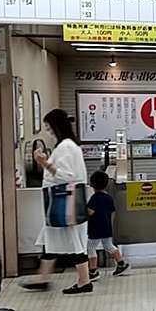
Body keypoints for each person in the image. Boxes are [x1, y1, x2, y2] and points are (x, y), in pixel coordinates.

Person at [20, 109, 92, 295]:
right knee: (51, 239)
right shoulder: (68, 145)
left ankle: (84, 281)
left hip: (64, 201)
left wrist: (44, 163)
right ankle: (43, 279)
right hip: (64, 201)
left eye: (48, 127)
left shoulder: (66, 147)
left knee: (73, 241)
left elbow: (66, 175)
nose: (48, 131)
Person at [87, 171, 129, 279]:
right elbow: (112, 212)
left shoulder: (94, 198)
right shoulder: (108, 197)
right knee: (109, 246)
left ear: (92, 184)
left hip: (95, 228)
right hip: (106, 227)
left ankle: (93, 272)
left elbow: (90, 212)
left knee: (91, 247)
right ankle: (121, 264)